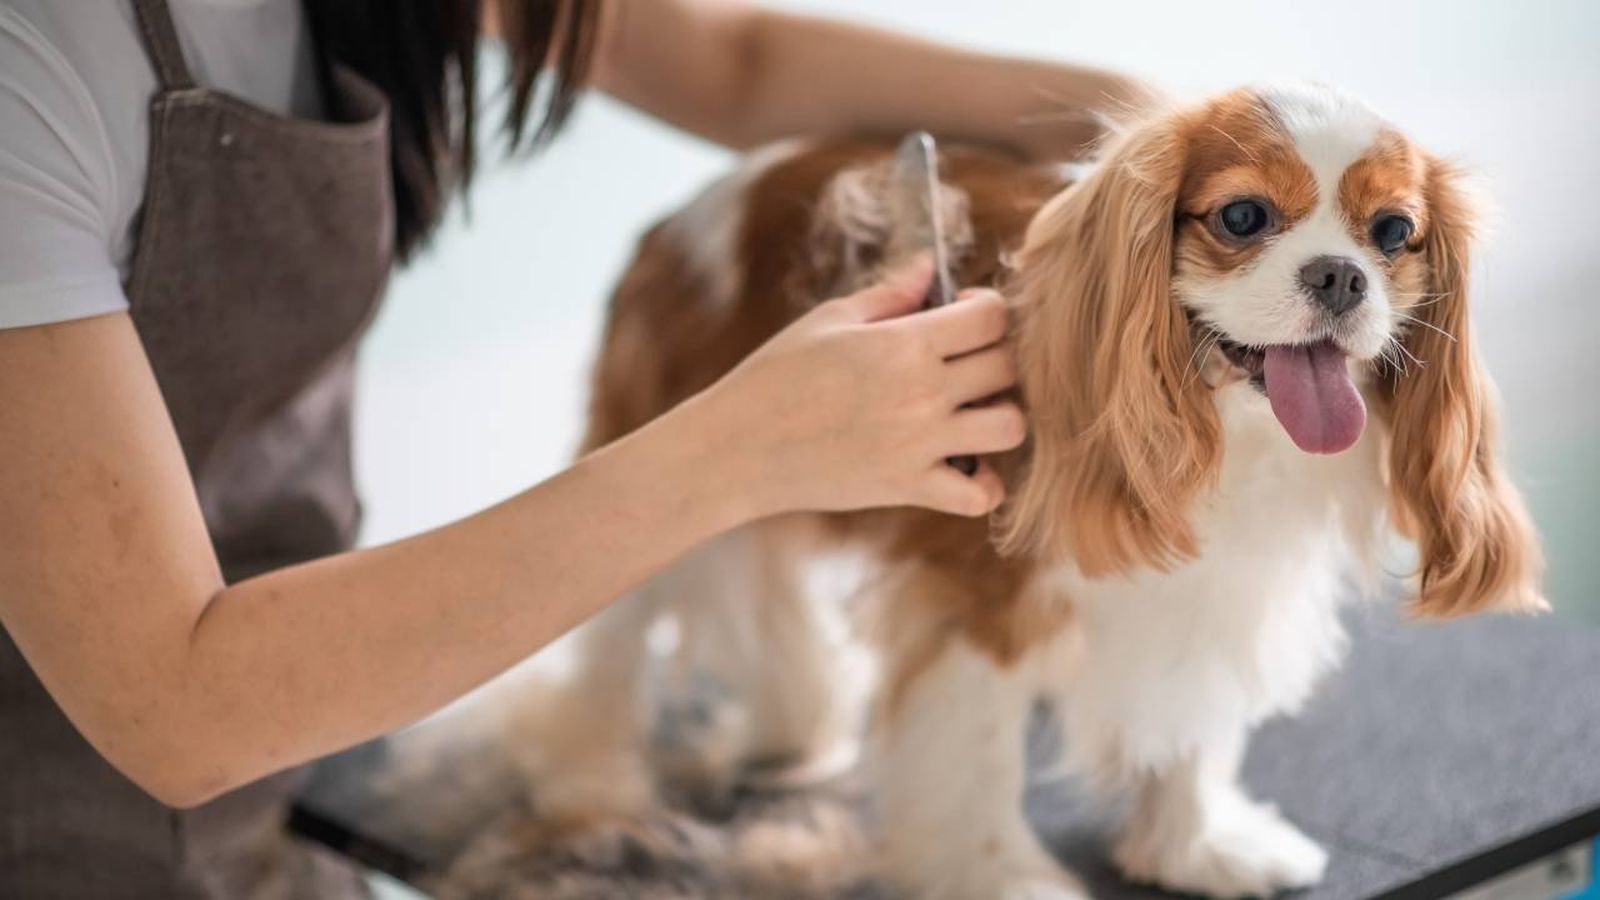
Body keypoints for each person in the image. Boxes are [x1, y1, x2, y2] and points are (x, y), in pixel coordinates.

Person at [0, 1, 1146, 895]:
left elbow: (730, 59)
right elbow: (178, 707)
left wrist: (1129, 123)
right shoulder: (30, 76)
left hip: (290, 789)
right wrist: (741, 450)